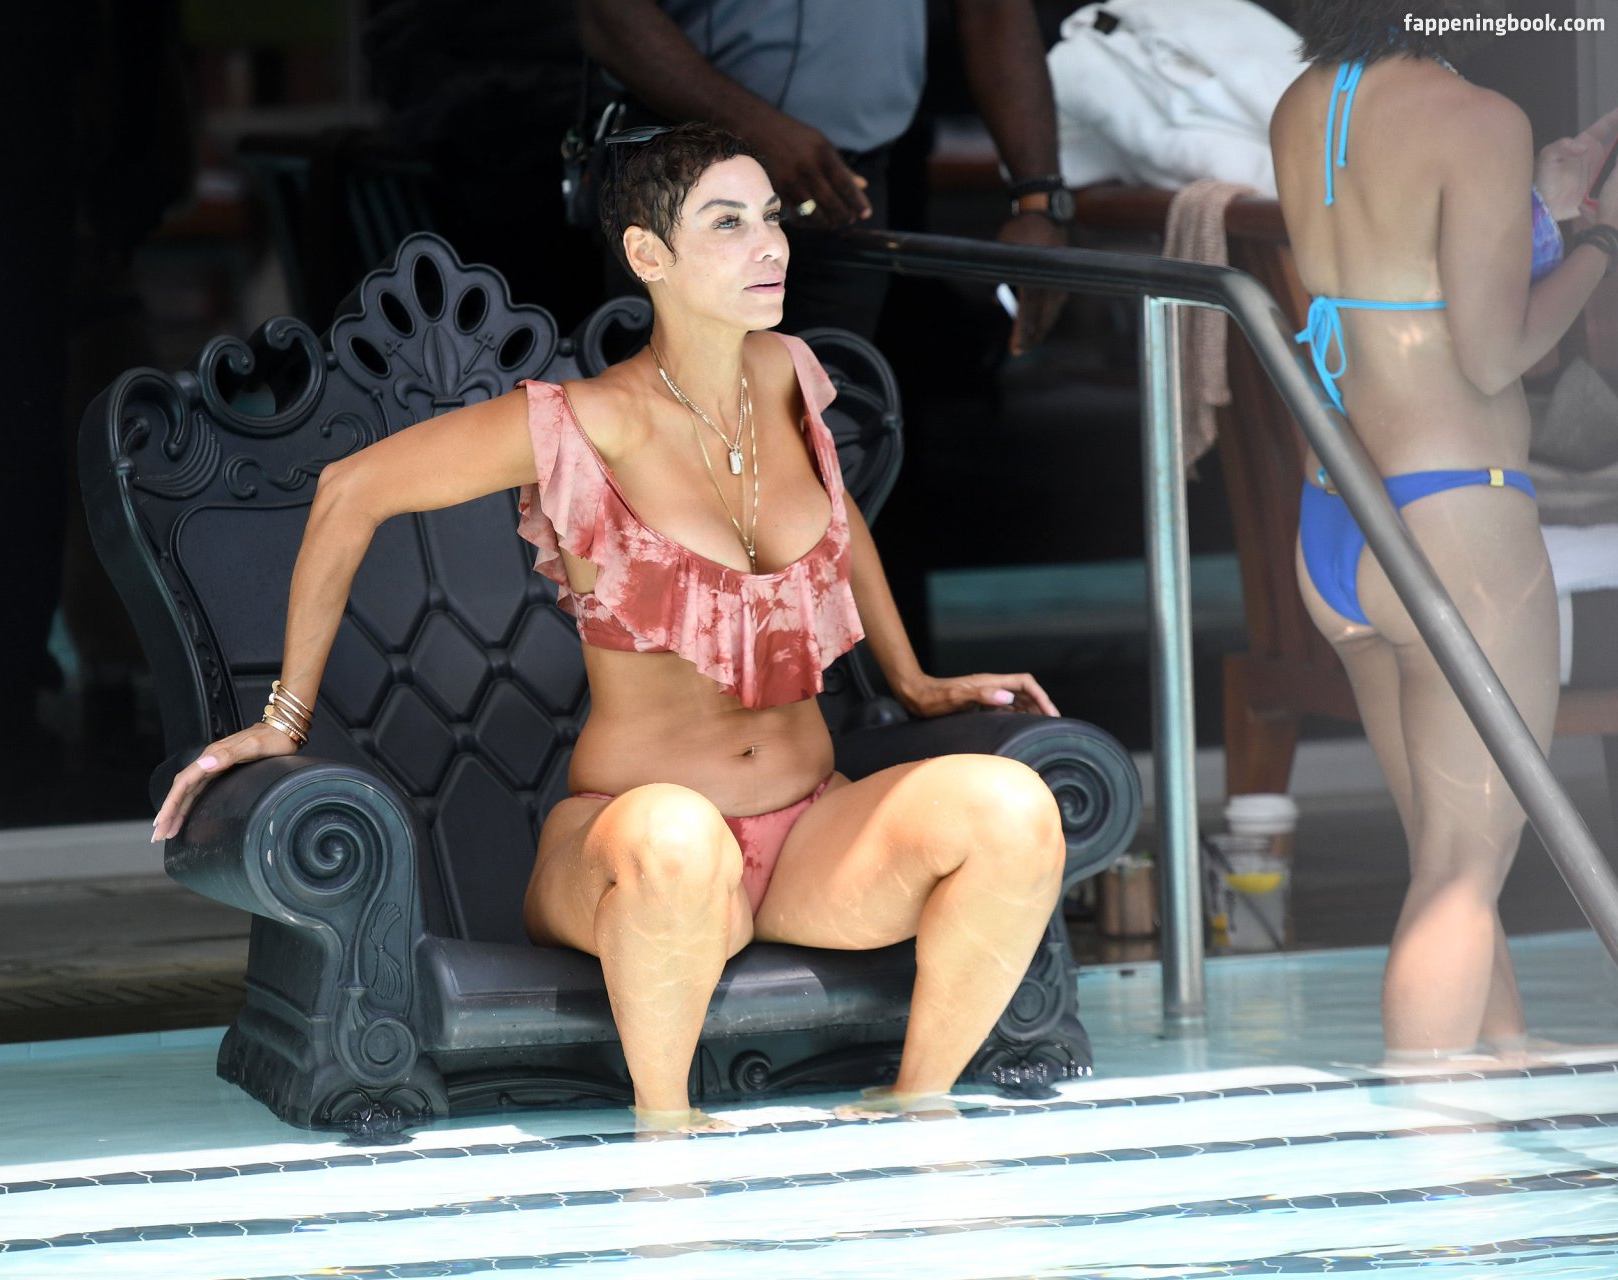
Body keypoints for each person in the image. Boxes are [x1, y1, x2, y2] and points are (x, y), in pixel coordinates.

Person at [150, 123, 1066, 1130]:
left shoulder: (785, 374)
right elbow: (347, 491)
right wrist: (282, 719)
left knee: (1013, 807)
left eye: (772, 217)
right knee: (677, 837)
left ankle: (914, 1103)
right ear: (648, 255)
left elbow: (836, 518)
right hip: (636, 850)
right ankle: (665, 1132)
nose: (769, 244)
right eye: (727, 223)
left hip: (812, 831)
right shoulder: (585, 422)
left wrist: (912, 678)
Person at [1270, 1, 1618, 1066]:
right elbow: (1495, 351)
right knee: (1466, 862)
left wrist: (1539, 207)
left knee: (1447, 844)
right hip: (1454, 513)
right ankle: (1422, 1130)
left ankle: (1501, 1048)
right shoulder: (1479, 117)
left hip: (1340, 513)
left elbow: (1401, 278)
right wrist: (1600, 242)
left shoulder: (1305, 103)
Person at [576, 0, 1071, 348]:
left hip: (847, 187)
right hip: (683, 176)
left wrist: (1039, 199)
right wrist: (753, 129)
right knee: (671, 438)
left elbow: (992, 10)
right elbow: (605, 14)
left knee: (830, 431)